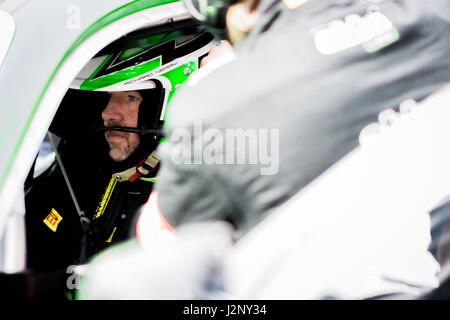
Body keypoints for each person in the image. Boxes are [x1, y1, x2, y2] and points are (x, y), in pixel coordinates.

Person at [151, 0, 450, 239]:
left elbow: (164, 237)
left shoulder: (210, 104)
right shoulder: (436, 13)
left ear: (238, 10)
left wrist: (217, 78)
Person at [1, 28, 219, 300]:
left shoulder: (185, 195)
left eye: (130, 97)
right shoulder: (82, 164)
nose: (107, 113)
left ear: (166, 105)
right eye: (108, 97)